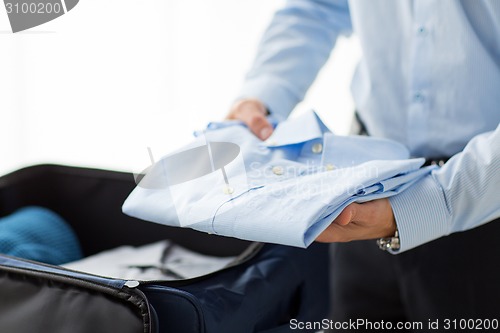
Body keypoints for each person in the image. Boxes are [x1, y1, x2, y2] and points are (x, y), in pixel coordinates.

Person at [226, 0, 500, 329]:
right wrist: (262, 95)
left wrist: (427, 204)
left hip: (485, 207)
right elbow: (319, 6)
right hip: (366, 188)